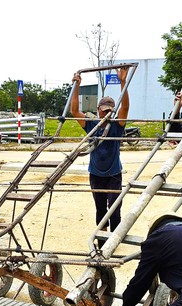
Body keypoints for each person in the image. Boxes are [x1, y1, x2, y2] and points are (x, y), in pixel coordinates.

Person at [70, 66, 130, 233]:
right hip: (96, 174)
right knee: (100, 208)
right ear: (98, 110)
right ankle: (102, 237)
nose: (106, 115)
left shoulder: (117, 126)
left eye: (109, 112)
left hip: (113, 174)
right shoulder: (91, 125)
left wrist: (123, 81)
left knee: (115, 208)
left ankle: (114, 237)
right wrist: (76, 85)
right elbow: (74, 111)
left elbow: (125, 107)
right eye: (103, 111)